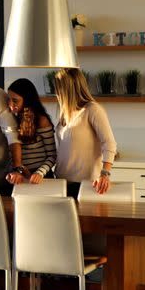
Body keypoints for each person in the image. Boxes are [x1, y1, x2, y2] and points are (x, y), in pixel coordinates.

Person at [53, 68, 117, 197]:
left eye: (59, 88)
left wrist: (104, 174)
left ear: (69, 89)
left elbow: (109, 143)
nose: (56, 93)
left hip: (85, 185)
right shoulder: (65, 114)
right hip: (61, 182)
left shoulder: (92, 110)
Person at [5, 78, 57, 185]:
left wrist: (39, 173)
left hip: (41, 177)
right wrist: (17, 170)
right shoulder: (11, 119)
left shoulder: (42, 120)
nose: (10, 104)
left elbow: (52, 155)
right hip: (21, 175)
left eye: (15, 100)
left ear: (27, 100)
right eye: (8, 99)